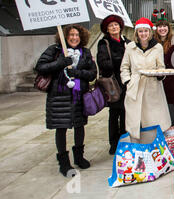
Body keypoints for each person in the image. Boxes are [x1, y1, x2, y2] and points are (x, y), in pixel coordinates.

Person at [35, 24, 97, 177]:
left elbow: (92, 73)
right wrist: (60, 63)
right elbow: (40, 67)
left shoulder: (85, 52)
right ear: (65, 36)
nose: (74, 38)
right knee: (61, 128)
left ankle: (79, 157)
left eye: (77, 35)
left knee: (79, 125)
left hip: (78, 95)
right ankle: (64, 162)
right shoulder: (55, 50)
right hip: (59, 96)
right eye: (71, 35)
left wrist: (76, 72)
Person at [120, 17, 171, 139]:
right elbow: (124, 67)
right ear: (136, 33)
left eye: (146, 31)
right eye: (140, 31)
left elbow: (161, 67)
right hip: (135, 87)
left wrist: (160, 75)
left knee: (153, 119)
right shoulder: (130, 47)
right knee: (135, 120)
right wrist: (128, 81)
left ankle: (153, 145)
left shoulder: (157, 47)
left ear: (150, 32)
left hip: (152, 87)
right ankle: (138, 147)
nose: (143, 34)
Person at [97, 15, 131, 155]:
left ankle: (123, 139)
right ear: (107, 29)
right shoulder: (104, 43)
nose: (114, 28)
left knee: (125, 113)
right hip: (112, 83)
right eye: (111, 26)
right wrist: (122, 61)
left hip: (126, 82)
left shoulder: (127, 42)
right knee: (114, 114)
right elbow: (103, 63)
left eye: (116, 25)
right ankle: (113, 142)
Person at [154, 19, 174, 126]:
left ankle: (171, 137)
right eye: (159, 26)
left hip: (170, 83)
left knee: (171, 112)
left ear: (168, 27)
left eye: (164, 26)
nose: (162, 29)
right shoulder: (151, 42)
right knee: (156, 112)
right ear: (156, 29)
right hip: (154, 82)